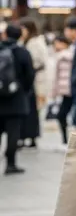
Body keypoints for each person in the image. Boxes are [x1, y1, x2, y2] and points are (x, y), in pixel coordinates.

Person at [0, 23, 35, 174]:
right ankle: (10, 164)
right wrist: (24, 91)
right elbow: (30, 76)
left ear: (5, 34)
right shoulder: (23, 52)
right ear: (20, 35)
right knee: (13, 133)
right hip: (17, 98)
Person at [18, 19, 47, 147]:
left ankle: (32, 137)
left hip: (35, 80)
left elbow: (43, 61)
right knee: (26, 110)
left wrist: (31, 67)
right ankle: (24, 136)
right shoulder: (22, 41)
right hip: (25, 80)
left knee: (33, 111)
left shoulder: (37, 42)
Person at [49, 35, 74, 145]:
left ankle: (65, 140)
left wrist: (54, 92)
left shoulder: (62, 57)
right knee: (64, 116)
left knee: (62, 116)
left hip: (68, 91)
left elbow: (58, 77)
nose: (55, 46)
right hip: (69, 90)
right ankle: (65, 140)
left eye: (56, 43)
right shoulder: (70, 55)